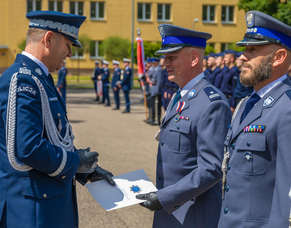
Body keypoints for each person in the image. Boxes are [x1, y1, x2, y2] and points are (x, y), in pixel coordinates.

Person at [0, 11, 115, 228]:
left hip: (44, 204)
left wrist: (85, 171)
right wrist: (77, 162)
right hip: (31, 212)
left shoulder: (39, 78)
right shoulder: (23, 79)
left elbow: (53, 138)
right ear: (49, 39)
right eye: (69, 44)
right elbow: (29, 148)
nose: (70, 53)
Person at [136, 24, 232, 228]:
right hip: (169, 209)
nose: (165, 63)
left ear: (194, 58)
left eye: (171, 57)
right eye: (165, 58)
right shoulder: (180, 95)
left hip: (193, 214)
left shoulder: (212, 103)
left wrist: (165, 197)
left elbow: (212, 168)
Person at [218, 11, 291, 228]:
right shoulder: (246, 104)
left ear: (279, 57)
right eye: (245, 49)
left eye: (253, 50)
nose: (243, 56)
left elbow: (289, 199)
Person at [149, 57, 163, 125]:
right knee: (154, 105)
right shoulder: (154, 69)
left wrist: (157, 91)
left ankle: (158, 120)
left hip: (157, 90)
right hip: (154, 89)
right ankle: (153, 118)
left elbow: (159, 81)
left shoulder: (159, 69)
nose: (153, 63)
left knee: (158, 106)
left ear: (157, 62)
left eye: (154, 62)